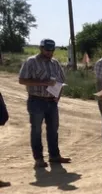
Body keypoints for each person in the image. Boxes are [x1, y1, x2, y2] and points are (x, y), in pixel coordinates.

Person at [18, 39, 71, 168]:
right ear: (41, 48)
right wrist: (44, 83)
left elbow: (61, 81)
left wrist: (58, 95)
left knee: (53, 130)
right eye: (47, 50)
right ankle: (38, 159)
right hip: (36, 101)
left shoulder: (55, 63)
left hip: (52, 102)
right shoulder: (31, 62)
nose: (49, 53)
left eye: (52, 50)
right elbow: (22, 80)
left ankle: (54, 156)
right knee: (36, 130)